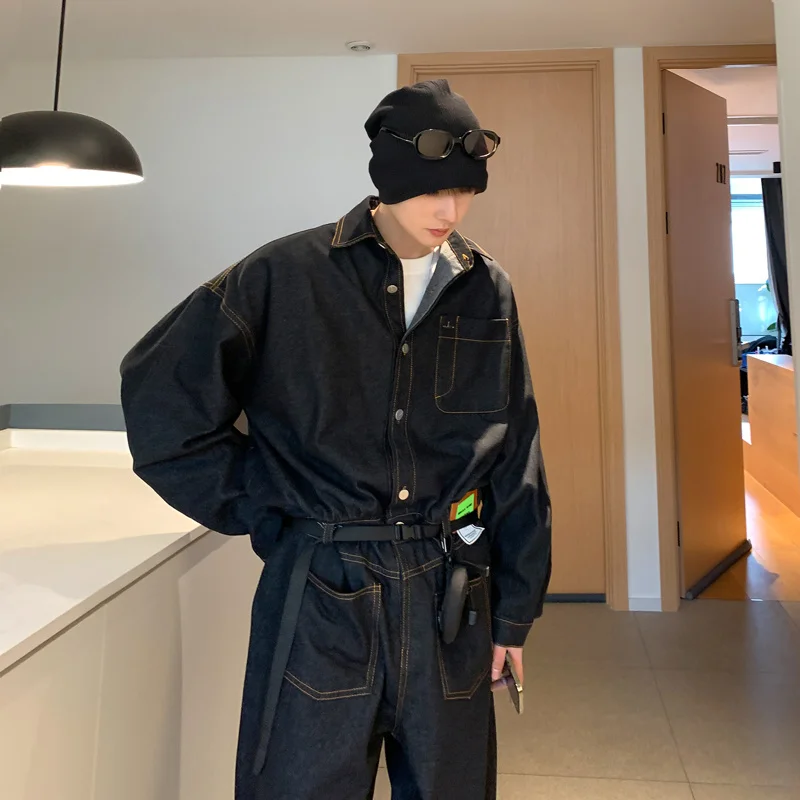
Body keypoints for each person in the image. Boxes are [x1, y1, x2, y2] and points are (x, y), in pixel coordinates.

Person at [120, 78, 552, 800]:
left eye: (464, 191)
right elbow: (163, 398)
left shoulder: (487, 288)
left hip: (450, 589)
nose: (449, 211)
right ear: (387, 178)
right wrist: (264, 500)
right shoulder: (284, 276)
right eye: (431, 191)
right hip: (322, 589)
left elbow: (516, 456)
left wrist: (513, 613)